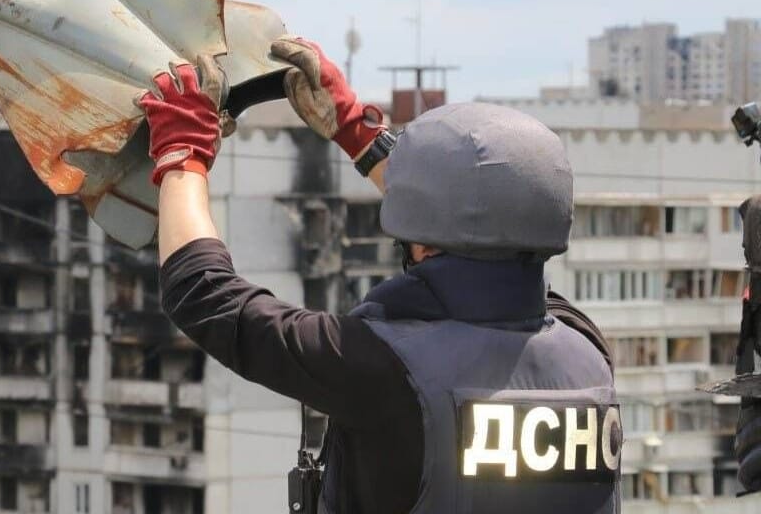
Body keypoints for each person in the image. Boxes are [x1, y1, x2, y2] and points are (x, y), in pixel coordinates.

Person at [136, 42, 620, 513]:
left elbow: (204, 294)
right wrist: (358, 133)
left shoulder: (384, 367)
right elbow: (497, 249)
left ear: (422, 239)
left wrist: (182, 152)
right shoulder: (586, 354)